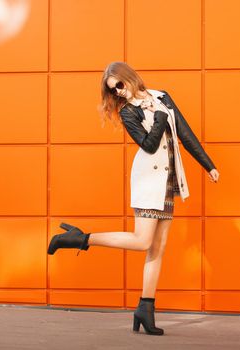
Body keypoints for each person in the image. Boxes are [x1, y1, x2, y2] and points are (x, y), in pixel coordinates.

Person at [47, 62, 220, 335]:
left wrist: (208, 165)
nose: (118, 92)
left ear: (129, 78)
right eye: (113, 90)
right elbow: (149, 145)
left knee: (157, 249)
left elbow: (185, 134)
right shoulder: (128, 113)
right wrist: (160, 119)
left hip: (168, 180)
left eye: (119, 84)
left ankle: (145, 308)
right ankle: (80, 238)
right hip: (147, 180)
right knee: (142, 241)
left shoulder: (162, 97)